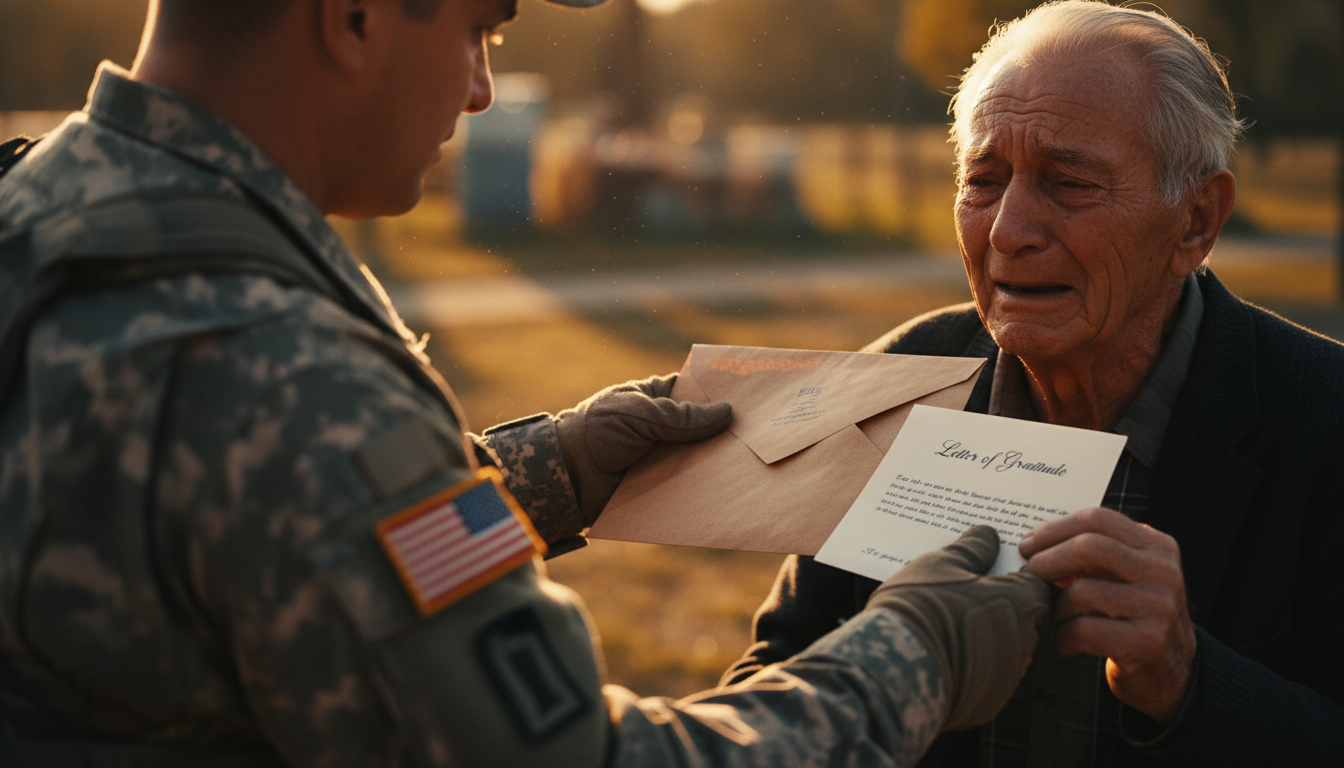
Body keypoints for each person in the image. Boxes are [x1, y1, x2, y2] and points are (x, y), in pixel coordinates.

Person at [0, 0, 1054, 765]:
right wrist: (914, 656)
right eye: (480, 29)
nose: (480, 88)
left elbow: (240, 536)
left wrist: (536, 477)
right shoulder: (293, 379)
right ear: (354, 18)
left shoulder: (39, 220)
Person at [724, 2, 1344, 765]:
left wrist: (1190, 678)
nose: (1009, 229)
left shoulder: (1325, 420)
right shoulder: (900, 386)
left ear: (1195, 221)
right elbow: (770, 681)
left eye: (1068, 182)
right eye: (982, 180)